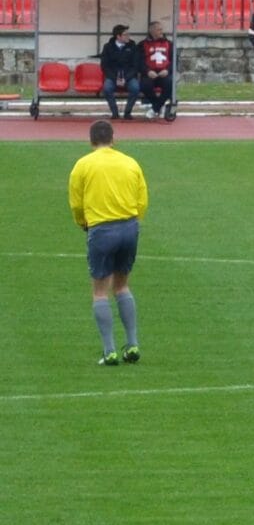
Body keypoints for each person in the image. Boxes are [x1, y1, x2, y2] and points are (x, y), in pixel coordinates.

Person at [68, 120, 148, 365]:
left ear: (91, 141)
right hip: (129, 227)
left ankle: (109, 350)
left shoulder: (82, 165)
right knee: (122, 286)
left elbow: (77, 203)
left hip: (102, 229)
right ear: (113, 138)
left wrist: (83, 223)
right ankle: (132, 344)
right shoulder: (130, 163)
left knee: (100, 291)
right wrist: (134, 221)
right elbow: (142, 198)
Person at [100, 24, 141, 120]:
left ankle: (127, 112)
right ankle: (115, 112)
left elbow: (135, 66)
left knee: (135, 88)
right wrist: (115, 78)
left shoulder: (133, 46)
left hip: (129, 76)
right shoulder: (108, 47)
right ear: (118, 36)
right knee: (107, 88)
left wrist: (126, 78)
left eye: (128, 34)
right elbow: (105, 66)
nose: (128, 37)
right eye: (125, 35)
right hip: (113, 76)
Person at [139, 21, 175, 120]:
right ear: (152, 30)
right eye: (159, 29)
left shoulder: (169, 44)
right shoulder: (142, 44)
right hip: (150, 74)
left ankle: (155, 108)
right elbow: (139, 62)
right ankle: (159, 106)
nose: (161, 31)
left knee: (170, 83)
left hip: (164, 73)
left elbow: (175, 60)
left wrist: (167, 70)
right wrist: (147, 71)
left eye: (161, 29)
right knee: (145, 85)